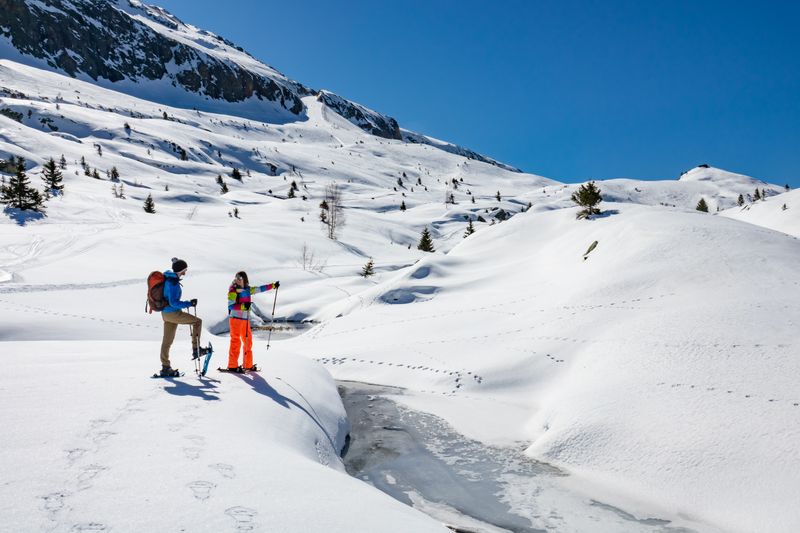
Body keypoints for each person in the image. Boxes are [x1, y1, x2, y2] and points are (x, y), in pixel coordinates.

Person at [159, 257, 204, 377]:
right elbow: (174, 302)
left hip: (166, 314)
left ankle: (165, 367)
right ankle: (196, 349)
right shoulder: (173, 282)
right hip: (173, 313)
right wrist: (189, 303)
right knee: (197, 322)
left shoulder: (169, 278)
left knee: (167, 341)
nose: (185, 272)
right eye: (184, 270)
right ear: (179, 271)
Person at [227, 271, 279, 372]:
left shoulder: (248, 289)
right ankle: (232, 366)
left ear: (244, 280)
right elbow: (231, 305)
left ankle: (248, 365)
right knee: (235, 341)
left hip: (245, 320)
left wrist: (273, 285)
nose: (237, 279)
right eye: (236, 277)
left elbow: (260, 288)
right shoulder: (233, 291)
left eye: (240, 278)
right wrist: (243, 306)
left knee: (248, 342)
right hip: (235, 319)